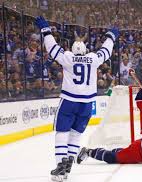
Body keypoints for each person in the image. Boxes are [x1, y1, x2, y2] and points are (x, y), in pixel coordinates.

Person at [34, 16, 119, 181]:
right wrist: (111, 37)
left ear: (73, 49)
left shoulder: (67, 57)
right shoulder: (93, 58)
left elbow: (52, 48)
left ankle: (60, 164)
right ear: (85, 50)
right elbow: (106, 52)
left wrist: (46, 31)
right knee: (76, 134)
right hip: (87, 103)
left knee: (61, 132)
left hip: (69, 100)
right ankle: (69, 161)